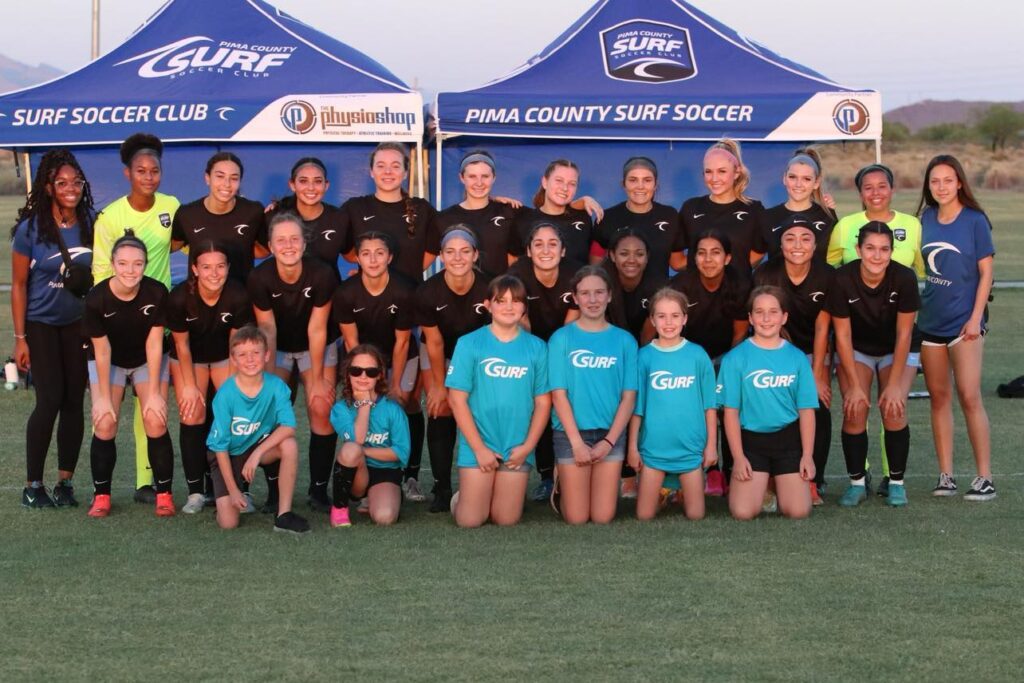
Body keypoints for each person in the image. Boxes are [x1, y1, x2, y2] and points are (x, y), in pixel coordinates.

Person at [92, 132, 180, 504]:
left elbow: (187, 241)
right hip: (118, 324)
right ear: (127, 173)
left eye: (154, 170)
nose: (148, 177)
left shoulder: (171, 207)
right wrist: (117, 310)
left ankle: (148, 483)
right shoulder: (110, 216)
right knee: (107, 412)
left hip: (156, 320)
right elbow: (101, 270)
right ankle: (102, 493)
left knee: (152, 408)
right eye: (140, 170)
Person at [827, 163, 925, 496]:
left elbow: (904, 335)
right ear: (858, 250)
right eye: (870, 248)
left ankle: (896, 483)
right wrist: (854, 386)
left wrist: (895, 384)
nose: (877, 255)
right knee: (854, 408)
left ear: (892, 251)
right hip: (857, 347)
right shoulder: (843, 278)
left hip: (897, 347)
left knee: (893, 407)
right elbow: (842, 335)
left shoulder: (904, 278)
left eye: (884, 249)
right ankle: (857, 483)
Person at [11, 149, 95, 508]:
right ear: (48, 187)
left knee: (74, 401)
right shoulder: (30, 229)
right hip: (41, 324)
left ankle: (65, 483)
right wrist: (20, 339)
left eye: (76, 182)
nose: (70, 188)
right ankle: (33, 486)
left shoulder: (92, 221)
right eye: (62, 183)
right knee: (49, 400)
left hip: (78, 325)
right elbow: (18, 285)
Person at [916, 155, 996, 501]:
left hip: (965, 324)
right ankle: (946, 476)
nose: (941, 187)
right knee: (939, 398)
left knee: (969, 396)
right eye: (935, 181)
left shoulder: (975, 220)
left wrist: (975, 318)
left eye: (948, 180)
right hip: (930, 323)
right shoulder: (925, 218)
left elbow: (986, 272)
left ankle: (985, 478)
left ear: (960, 182)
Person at [248, 211, 338, 512]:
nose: (288, 246)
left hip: (316, 344)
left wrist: (318, 380)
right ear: (271, 246)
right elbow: (267, 329)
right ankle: (275, 493)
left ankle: (318, 491)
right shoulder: (260, 278)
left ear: (304, 243)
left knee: (321, 406)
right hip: (278, 346)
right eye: (281, 240)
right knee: (271, 409)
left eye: (294, 239)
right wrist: (269, 380)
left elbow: (318, 329)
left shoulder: (322, 274)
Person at [83, 231, 175, 517]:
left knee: (155, 419)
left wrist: (156, 393)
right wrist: (101, 397)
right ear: (112, 264)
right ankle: (101, 496)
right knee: (105, 422)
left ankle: (164, 494)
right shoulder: (96, 299)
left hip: (147, 359)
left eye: (137, 264)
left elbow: (154, 343)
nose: (130, 270)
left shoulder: (156, 292)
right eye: (123, 263)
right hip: (109, 361)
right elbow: (102, 351)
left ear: (146, 265)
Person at [446, 274, 551, 528]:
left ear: (524, 306)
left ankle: (499, 494)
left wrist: (527, 447)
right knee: (470, 521)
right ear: (488, 305)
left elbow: (543, 403)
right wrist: (479, 449)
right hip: (480, 443)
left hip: (517, 445)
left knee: (506, 519)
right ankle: (461, 498)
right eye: (500, 301)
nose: (509, 307)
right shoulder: (469, 343)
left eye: (516, 301)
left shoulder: (537, 347)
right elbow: (457, 400)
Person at [332, 231, 424, 502]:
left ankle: (410, 477)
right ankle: (358, 472)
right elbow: (352, 343)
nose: (373, 260)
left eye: (379, 253)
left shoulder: (404, 289)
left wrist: (393, 384)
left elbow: (402, 341)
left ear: (390, 257)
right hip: (363, 358)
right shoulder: (346, 293)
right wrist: (361, 376)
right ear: (357, 258)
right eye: (366, 254)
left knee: (404, 402)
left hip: (400, 354)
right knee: (361, 403)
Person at [166, 242, 254, 514]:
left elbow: (236, 345)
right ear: (194, 269)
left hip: (224, 355)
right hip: (189, 357)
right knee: (192, 413)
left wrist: (233, 390)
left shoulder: (238, 294)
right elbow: (181, 345)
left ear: (228, 267)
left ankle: (239, 489)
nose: (214, 273)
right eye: (206, 267)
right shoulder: (180, 298)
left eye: (220, 266)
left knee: (233, 413)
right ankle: (196, 492)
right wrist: (190, 386)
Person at [754, 216, 835, 504]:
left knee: (818, 406)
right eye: (790, 238)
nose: (797, 245)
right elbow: (766, 322)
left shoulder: (827, 275)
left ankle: (814, 479)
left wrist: (817, 374)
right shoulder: (767, 273)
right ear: (781, 244)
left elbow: (823, 328)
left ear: (815, 245)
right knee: (773, 405)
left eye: (805, 238)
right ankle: (770, 477)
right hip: (776, 348)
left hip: (814, 352)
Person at [662, 229, 751, 495]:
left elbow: (739, 334)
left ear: (727, 258)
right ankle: (691, 472)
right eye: (701, 253)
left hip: (726, 355)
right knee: (690, 411)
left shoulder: (740, 284)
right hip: (687, 356)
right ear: (694, 258)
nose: (708, 259)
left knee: (728, 409)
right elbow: (666, 329)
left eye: (715, 253)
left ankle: (728, 472)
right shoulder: (681, 285)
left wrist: (727, 371)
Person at [719, 286, 818, 520]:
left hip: (788, 440)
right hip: (751, 442)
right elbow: (730, 413)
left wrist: (807, 455)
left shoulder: (797, 358)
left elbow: (806, 411)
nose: (766, 318)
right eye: (759, 312)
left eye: (773, 312)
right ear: (750, 318)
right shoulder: (735, 358)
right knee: (743, 512)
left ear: (784, 317)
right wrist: (738, 458)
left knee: (798, 511)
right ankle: (762, 488)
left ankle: (775, 487)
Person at [548, 265, 637, 524]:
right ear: (575, 298)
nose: (593, 299)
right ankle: (561, 481)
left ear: (610, 295)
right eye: (585, 293)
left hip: (610, 434)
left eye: (599, 292)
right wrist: (576, 443)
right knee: (576, 518)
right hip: (571, 434)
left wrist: (609, 441)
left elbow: (629, 398)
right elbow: (558, 395)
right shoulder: (561, 339)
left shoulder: (625, 341)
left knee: (602, 517)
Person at [206, 325, 309, 534]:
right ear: (233, 359)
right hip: (228, 454)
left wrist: (257, 454)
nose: (250, 359)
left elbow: (288, 427)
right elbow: (220, 447)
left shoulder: (277, 386)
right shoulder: (226, 394)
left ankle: (284, 515)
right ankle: (223, 501)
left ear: (267, 355)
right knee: (228, 523)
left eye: (255, 352)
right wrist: (234, 491)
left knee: (289, 445)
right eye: (242, 355)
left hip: (259, 446)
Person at [415, 226, 491, 512]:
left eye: (464, 251)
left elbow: (494, 336)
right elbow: (434, 343)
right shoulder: (427, 291)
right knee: (441, 408)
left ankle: (487, 475)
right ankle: (442, 486)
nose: (457, 257)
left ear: (475, 255)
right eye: (450, 252)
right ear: (441, 256)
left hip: (479, 354)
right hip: (440, 352)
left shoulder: (489, 287)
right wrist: (437, 386)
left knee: (480, 407)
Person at [628, 288, 717, 521]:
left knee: (696, 515)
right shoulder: (644, 357)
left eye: (675, 316)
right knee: (644, 515)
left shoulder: (697, 355)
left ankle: (678, 491)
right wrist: (633, 448)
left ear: (685, 318)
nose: (669, 323)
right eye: (662, 316)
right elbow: (637, 409)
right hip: (654, 449)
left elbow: (710, 406)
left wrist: (711, 446)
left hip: (690, 449)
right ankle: (665, 492)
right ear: (652, 320)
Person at [328, 344, 410, 527]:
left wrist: (364, 451)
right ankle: (340, 509)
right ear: (348, 374)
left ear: (380, 375)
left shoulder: (392, 409)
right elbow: (357, 440)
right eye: (356, 371)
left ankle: (381, 497)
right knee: (351, 449)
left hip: (386, 472)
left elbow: (401, 452)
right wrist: (364, 404)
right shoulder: (341, 409)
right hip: (356, 472)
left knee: (384, 517)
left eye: (371, 372)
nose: (363, 376)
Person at [339, 142, 439, 283]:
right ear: (371, 171)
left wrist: (408, 275)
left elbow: (432, 250)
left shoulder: (422, 209)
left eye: (395, 166)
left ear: (405, 173)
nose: (388, 171)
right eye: (381, 166)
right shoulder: (355, 208)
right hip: (370, 293)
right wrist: (371, 271)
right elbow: (347, 253)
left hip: (411, 293)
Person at [171, 152, 267, 285]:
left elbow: (264, 250)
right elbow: (172, 245)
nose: (226, 184)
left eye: (234, 178)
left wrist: (241, 250)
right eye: (220, 176)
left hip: (242, 293)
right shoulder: (187, 214)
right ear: (207, 178)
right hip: (198, 294)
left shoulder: (253, 211)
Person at [679, 139, 767, 273]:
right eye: (708, 171)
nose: (714, 178)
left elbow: (759, 251)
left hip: (739, 286)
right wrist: (706, 269)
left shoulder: (754, 209)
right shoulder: (690, 208)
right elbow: (676, 259)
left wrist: (734, 271)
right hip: (695, 286)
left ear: (736, 172)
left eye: (722, 171)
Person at [827, 164, 925, 276]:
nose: (875, 193)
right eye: (868, 188)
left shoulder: (912, 224)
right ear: (861, 194)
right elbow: (828, 267)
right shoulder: (845, 225)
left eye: (882, 186)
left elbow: (923, 272)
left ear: (892, 190)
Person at [595, 157, 684, 278]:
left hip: (659, 289)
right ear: (623, 184)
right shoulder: (607, 218)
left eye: (647, 180)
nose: (640, 186)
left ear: (655, 185)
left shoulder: (669, 215)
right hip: (617, 290)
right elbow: (595, 268)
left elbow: (677, 263)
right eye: (633, 180)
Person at [435, 150, 519, 277]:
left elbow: (514, 260)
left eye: (485, 176)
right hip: (462, 289)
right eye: (472, 176)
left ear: (494, 177)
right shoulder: (444, 218)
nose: (479, 183)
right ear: (462, 178)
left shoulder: (508, 212)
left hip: (497, 288)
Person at [270, 157, 350, 282]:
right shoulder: (275, 217)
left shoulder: (339, 218)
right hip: (286, 292)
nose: (311, 187)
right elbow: (260, 251)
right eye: (303, 181)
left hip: (330, 290)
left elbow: (352, 255)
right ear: (292, 185)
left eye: (318, 181)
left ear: (326, 185)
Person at [511, 159, 602, 266]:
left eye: (572, 184)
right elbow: (514, 263)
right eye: (559, 180)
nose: (565, 188)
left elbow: (592, 262)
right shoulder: (524, 220)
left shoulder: (583, 217)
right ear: (545, 182)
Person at [763, 149, 836, 260]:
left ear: (816, 183)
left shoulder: (827, 216)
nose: (798, 184)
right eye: (792, 177)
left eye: (806, 179)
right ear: (784, 178)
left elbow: (834, 258)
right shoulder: (767, 216)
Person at [603, 229, 666, 342]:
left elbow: (647, 337)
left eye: (639, 254)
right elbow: (600, 329)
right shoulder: (599, 282)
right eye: (624, 254)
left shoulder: (658, 286)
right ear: (612, 255)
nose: (631, 260)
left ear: (647, 257)